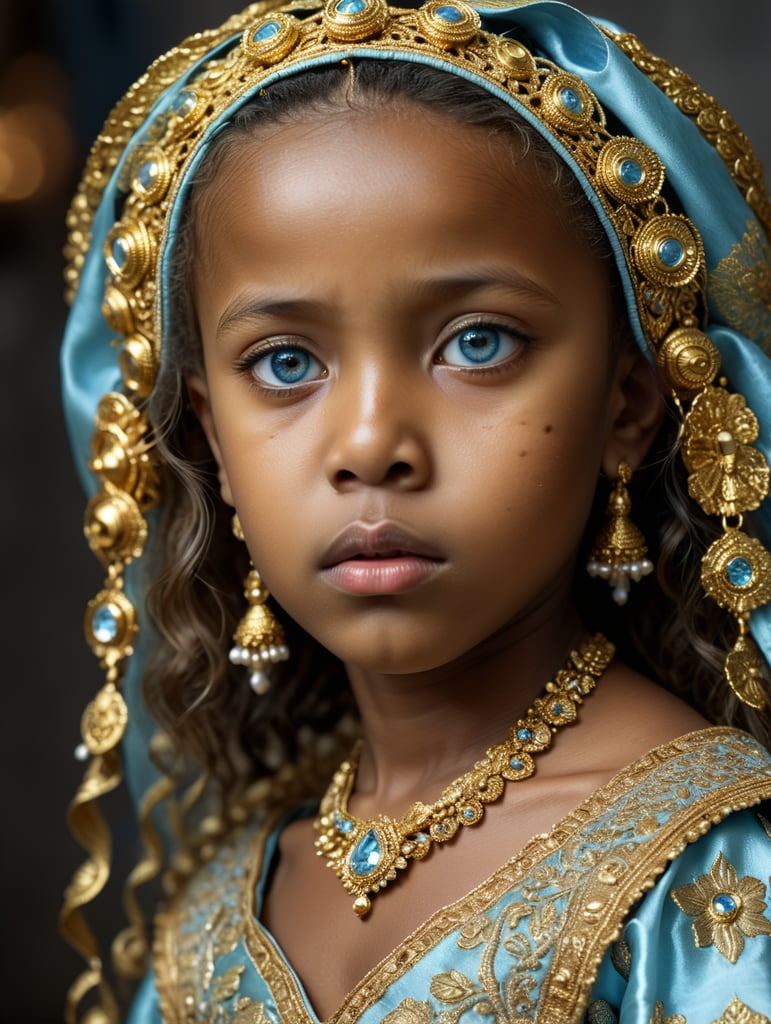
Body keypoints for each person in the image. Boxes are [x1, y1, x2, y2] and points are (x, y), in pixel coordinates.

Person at [59, 1, 771, 1021]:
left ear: (627, 402)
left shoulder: (706, 864)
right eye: (287, 363)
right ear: (214, 441)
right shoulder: (221, 903)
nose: (367, 446)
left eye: (477, 343)